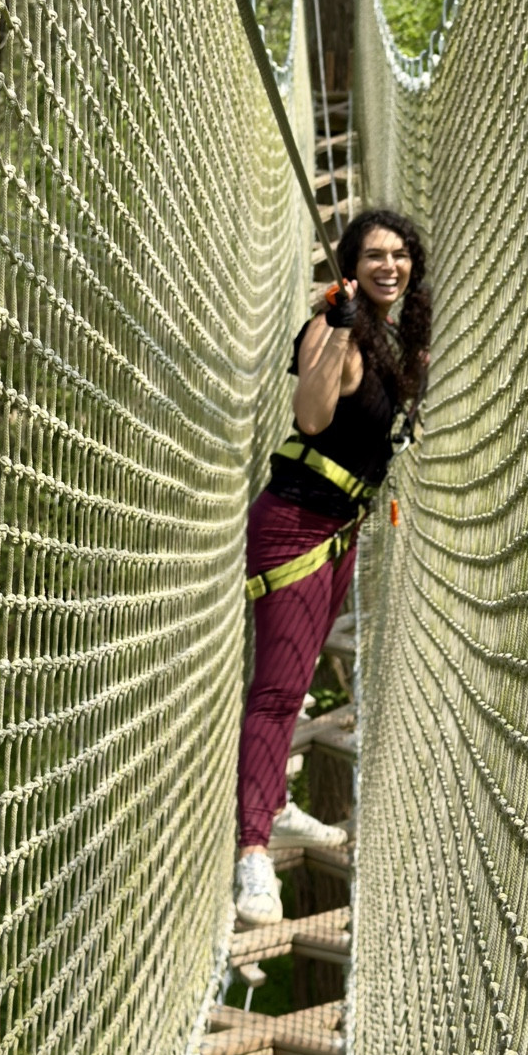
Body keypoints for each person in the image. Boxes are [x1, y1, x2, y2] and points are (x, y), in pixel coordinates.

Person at [233, 208, 430, 927]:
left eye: (400, 255)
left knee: (299, 677)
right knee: (278, 692)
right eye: (375, 255)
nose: (389, 266)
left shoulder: (400, 343)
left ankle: (272, 806)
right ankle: (253, 855)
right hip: (296, 524)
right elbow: (312, 417)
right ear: (351, 265)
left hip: (342, 529)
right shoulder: (331, 331)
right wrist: (340, 325)